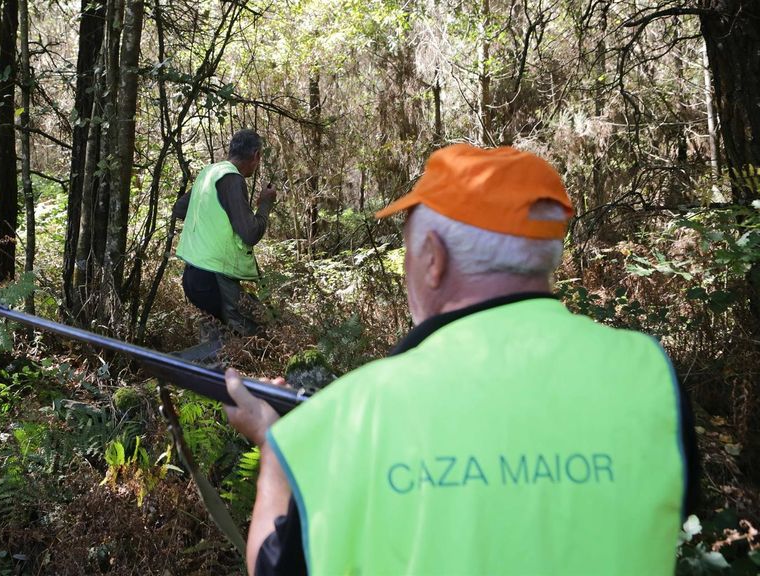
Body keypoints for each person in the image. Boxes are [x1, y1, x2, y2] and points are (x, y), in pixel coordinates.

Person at [220, 144, 700, 575]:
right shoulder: (649, 374)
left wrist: (277, 453)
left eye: (407, 247)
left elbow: (273, 566)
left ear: (433, 256)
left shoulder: (357, 412)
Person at [174, 129, 276, 339]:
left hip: (193, 276)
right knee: (251, 335)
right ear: (256, 155)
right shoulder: (231, 178)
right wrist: (265, 205)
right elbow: (250, 233)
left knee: (215, 342)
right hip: (214, 279)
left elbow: (180, 208)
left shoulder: (209, 173)